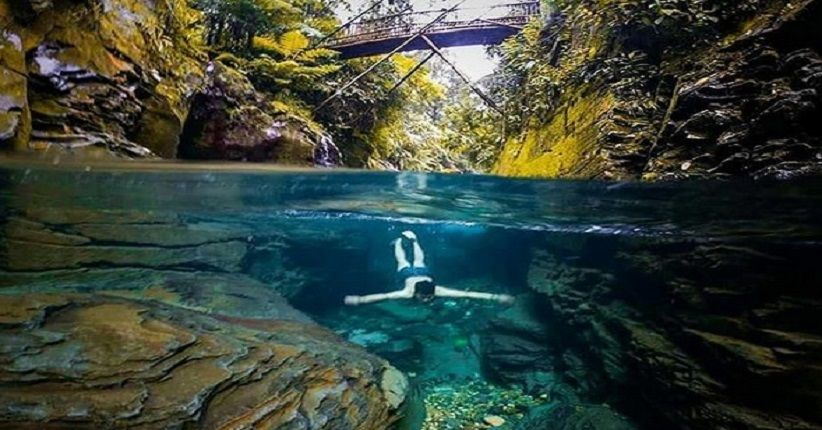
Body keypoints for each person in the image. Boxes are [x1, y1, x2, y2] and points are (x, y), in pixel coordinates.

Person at [344, 231, 515, 306]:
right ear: (416, 293)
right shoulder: (407, 293)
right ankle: (400, 242)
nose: (427, 299)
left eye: (427, 297)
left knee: (416, 259)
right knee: (403, 260)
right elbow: (383, 296)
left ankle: (412, 241)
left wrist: (495, 297)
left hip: (418, 275)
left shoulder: (435, 291)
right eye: (424, 297)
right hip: (409, 276)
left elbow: (468, 294)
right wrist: (360, 300)